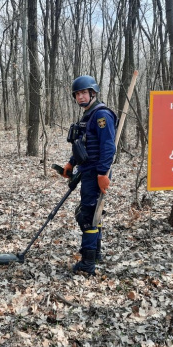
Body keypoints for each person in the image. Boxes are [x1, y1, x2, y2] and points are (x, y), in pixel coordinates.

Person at [62, 75, 117, 276]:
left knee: (87, 217)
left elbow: (108, 146)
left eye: (84, 92)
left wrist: (103, 173)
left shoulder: (102, 115)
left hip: (95, 173)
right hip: (86, 171)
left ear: (93, 93)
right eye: (77, 94)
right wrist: (71, 162)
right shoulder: (88, 116)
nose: (80, 97)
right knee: (92, 213)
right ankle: (96, 253)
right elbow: (83, 144)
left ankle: (87, 263)